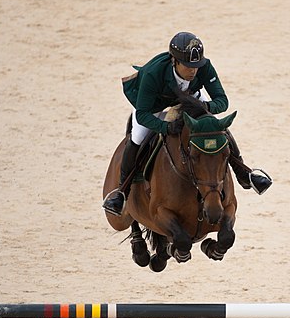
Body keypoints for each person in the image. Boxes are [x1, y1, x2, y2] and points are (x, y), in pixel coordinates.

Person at [103, 31, 272, 216]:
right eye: (188, 66)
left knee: (216, 126)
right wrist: (166, 127)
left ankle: (245, 173)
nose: (193, 70)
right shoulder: (154, 73)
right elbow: (143, 114)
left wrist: (203, 106)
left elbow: (222, 101)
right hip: (153, 105)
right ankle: (121, 192)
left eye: (196, 66)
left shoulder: (204, 67)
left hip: (189, 99)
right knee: (137, 138)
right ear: (174, 61)